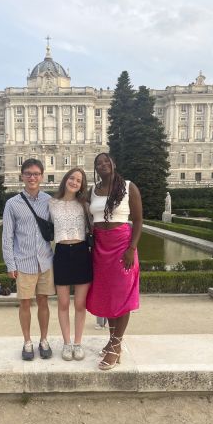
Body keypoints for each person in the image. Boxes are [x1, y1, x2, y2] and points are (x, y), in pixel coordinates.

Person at [86, 153, 143, 370]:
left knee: (122, 294)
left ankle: (116, 345)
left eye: (106, 161)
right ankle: (112, 341)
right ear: (96, 168)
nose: (102, 165)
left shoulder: (129, 187)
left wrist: (132, 249)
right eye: (98, 163)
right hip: (101, 247)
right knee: (109, 296)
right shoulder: (93, 190)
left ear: (113, 163)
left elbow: (138, 220)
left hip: (122, 246)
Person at [2, 158, 55, 361]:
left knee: (43, 302)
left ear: (41, 176)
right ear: (22, 176)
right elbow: (7, 235)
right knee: (25, 304)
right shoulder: (12, 204)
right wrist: (10, 263)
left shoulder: (49, 201)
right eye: (28, 174)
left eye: (36, 174)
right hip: (23, 262)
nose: (32, 177)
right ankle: (27, 341)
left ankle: (43, 340)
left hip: (45, 261)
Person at [49, 168, 93, 361]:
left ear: (82, 185)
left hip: (82, 252)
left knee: (80, 304)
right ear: (66, 179)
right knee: (63, 303)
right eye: (72, 178)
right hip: (61, 253)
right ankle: (67, 343)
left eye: (79, 180)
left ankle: (78, 342)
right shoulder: (51, 203)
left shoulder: (85, 204)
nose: (74, 182)